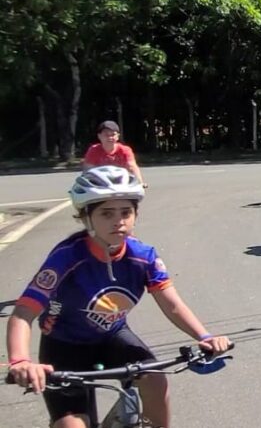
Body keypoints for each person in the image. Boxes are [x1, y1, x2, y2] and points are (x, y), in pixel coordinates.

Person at [5, 166, 233, 428]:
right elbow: (23, 313)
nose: (119, 220)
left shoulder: (143, 256)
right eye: (106, 213)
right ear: (86, 217)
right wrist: (21, 361)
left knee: (155, 379)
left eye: (126, 212)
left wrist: (205, 338)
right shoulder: (67, 257)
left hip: (113, 337)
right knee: (72, 425)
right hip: (63, 346)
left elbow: (172, 304)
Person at [81, 121, 146, 188]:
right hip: (100, 184)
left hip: (122, 182)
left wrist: (140, 183)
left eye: (113, 134)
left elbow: (132, 167)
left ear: (118, 136)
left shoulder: (125, 150)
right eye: (106, 135)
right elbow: (88, 170)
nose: (110, 137)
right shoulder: (93, 150)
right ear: (99, 136)